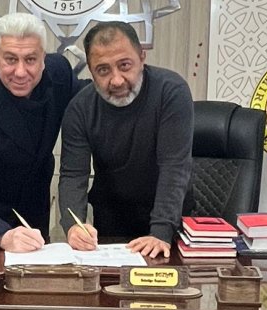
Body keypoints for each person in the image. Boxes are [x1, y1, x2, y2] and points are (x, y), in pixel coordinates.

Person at [0, 12, 85, 252]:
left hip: (34, 217)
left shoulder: (59, 72)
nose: (20, 72)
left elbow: (87, 103)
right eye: (10, 59)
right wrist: (2, 235)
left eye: (30, 59)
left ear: (43, 58)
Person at [58, 21, 194, 259]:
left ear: (142, 58)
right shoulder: (80, 109)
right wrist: (74, 225)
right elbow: (73, 175)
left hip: (171, 225)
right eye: (103, 70)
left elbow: (174, 166)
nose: (117, 80)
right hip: (112, 225)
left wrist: (161, 231)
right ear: (91, 71)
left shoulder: (171, 92)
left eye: (124, 65)